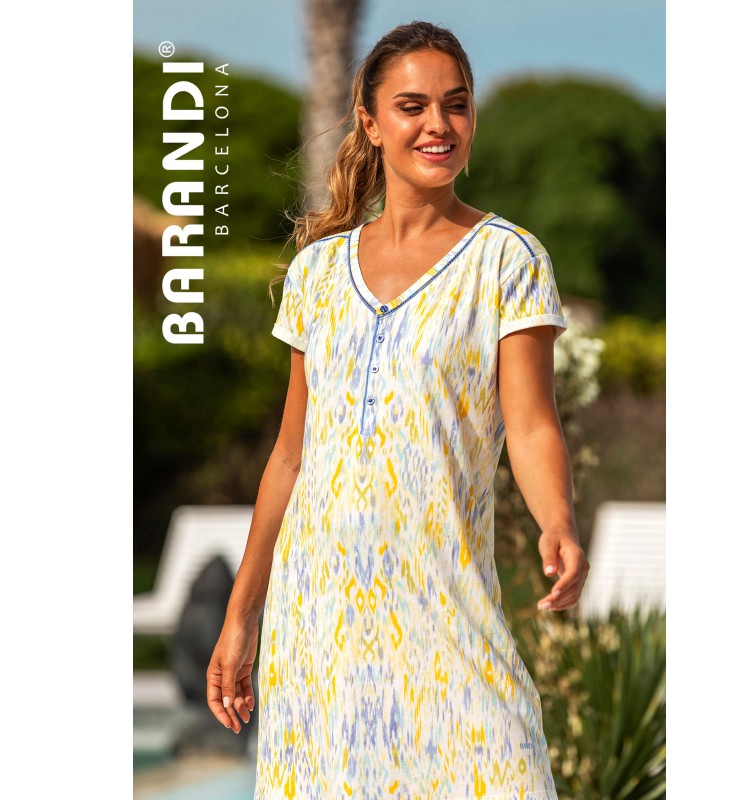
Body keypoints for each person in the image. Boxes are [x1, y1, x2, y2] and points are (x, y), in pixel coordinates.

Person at [207, 20, 589, 800]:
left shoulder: (507, 260)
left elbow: (530, 423)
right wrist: (242, 613)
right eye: (412, 106)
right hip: (318, 632)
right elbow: (290, 456)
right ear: (371, 123)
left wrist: (557, 519)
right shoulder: (317, 273)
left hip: (446, 613)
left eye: (456, 104)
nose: (438, 124)